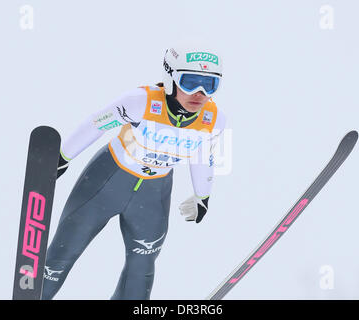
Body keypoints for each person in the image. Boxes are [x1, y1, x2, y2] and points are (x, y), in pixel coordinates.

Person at [41, 44, 227, 300]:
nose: (200, 93)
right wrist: (63, 157)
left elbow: (203, 156)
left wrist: (202, 195)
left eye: (210, 85)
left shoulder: (213, 118)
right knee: (62, 254)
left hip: (153, 195)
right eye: (190, 81)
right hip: (106, 182)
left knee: (141, 272)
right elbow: (96, 124)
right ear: (170, 77)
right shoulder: (141, 101)